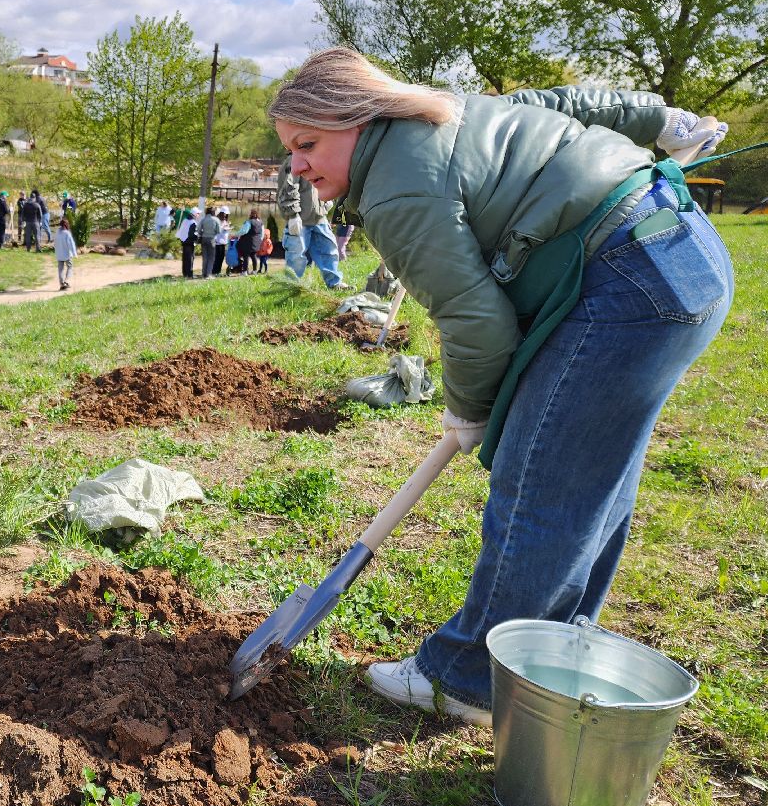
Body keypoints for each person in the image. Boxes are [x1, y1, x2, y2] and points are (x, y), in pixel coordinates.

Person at [267, 46, 732, 725]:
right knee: (592, 481)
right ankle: (549, 657)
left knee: (540, 479)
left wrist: (469, 411)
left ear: (359, 120)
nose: (298, 167)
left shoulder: (397, 188)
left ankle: (467, 679)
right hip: (684, 254)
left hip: (629, 281)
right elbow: (566, 101)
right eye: (289, 151)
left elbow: (476, 324)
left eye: (308, 144)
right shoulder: (452, 111)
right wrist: (662, 118)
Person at [277, 155, 350, 290]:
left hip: (319, 218)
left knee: (329, 250)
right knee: (296, 256)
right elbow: (288, 187)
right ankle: (292, 286)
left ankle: (334, 283)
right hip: (299, 219)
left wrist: (326, 204)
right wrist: (292, 214)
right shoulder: (293, 162)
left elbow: (327, 183)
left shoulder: (319, 159)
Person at [197, 206, 221, 279]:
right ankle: (208, 274)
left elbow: (198, 230)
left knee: (205, 257)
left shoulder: (203, 219)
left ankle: (203, 273)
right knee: (211, 257)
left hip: (204, 239)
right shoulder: (216, 219)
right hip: (212, 239)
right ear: (213, 212)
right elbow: (219, 231)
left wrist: (202, 234)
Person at [237, 209, 264, 274]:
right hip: (256, 242)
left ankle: (245, 271)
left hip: (247, 242)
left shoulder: (249, 222)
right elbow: (262, 233)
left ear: (251, 214)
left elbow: (244, 231)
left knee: (245, 256)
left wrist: (236, 234)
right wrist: (260, 240)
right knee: (253, 255)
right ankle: (254, 271)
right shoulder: (261, 222)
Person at [54, 217, 78, 289]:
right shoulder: (67, 233)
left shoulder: (57, 232)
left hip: (59, 254)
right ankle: (66, 281)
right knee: (70, 267)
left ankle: (61, 284)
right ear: (67, 225)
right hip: (67, 254)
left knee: (60, 269)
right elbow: (71, 244)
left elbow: (55, 242)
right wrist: (74, 254)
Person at [176, 207, 200, 277]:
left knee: (185, 258)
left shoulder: (185, 220)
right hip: (189, 242)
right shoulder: (193, 222)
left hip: (184, 242)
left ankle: (185, 273)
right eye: (198, 213)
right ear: (195, 214)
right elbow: (192, 234)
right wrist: (197, 239)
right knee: (190, 259)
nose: (199, 215)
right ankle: (189, 274)